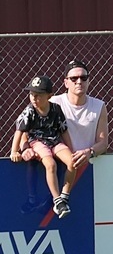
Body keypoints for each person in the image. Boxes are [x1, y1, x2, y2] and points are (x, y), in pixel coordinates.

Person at [9, 75, 76, 218]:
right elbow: (19, 131)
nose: (34, 98)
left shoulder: (56, 109)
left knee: (72, 162)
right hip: (37, 142)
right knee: (50, 164)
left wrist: (71, 149)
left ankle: (64, 197)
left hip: (54, 141)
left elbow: (64, 131)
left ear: (49, 96)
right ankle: (57, 200)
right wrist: (14, 151)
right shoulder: (30, 111)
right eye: (31, 94)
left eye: (38, 95)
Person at [50, 60, 109, 168]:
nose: (79, 81)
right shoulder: (54, 103)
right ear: (66, 83)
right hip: (59, 164)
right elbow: (28, 125)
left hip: (89, 165)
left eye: (83, 78)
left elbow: (103, 143)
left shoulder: (99, 106)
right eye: (74, 78)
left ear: (88, 81)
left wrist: (89, 152)